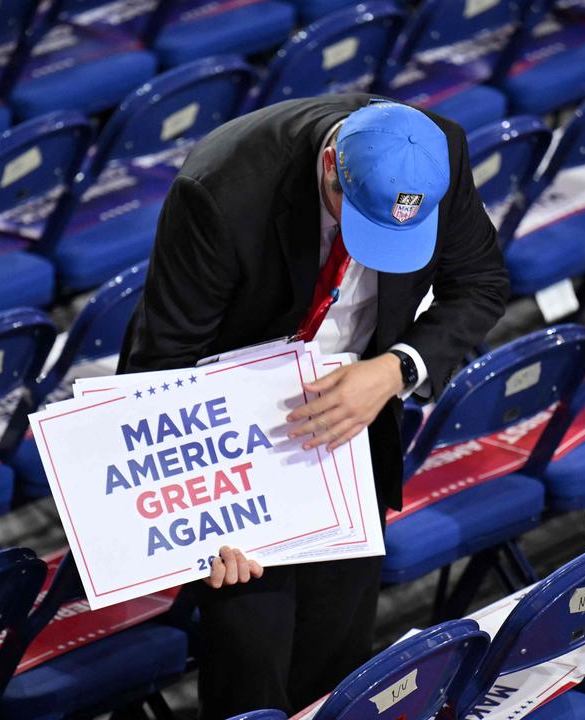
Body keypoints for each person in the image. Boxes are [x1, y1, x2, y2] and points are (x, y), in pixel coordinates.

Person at [118, 94, 508, 718]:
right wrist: (208, 509)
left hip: (354, 421)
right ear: (330, 165)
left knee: (337, 657)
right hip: (230, 429)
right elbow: (161, 360)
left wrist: (395, 368)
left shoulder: (435, 155)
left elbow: (481, 283)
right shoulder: (220, 191)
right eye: (359, 222)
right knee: (252, 659)